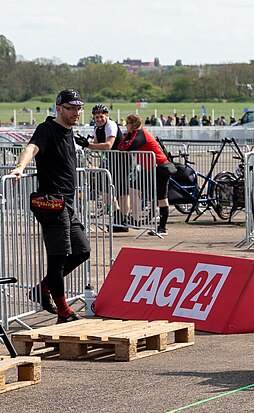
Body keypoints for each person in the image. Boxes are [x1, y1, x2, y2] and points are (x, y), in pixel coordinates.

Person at [9, 89, 91, 323]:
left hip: (68, 202)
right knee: (58, 257)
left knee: (82, 250)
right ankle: (64, 312)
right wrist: (20, 167)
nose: (76, 113)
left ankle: (42, 289)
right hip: (52, 203)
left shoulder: (69, 131)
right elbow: (32, 148)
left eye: (78, 108)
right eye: (71, 108)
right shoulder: (47, 129)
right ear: (58, 109)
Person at [117, 114, 176, 236]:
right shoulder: (132, 134)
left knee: (161, 197)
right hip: (148, 168)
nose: (125, 126)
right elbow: (121, 146)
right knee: (133, 189)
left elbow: (128, 147)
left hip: (160, 167)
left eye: (127, 123)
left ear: (132, 124)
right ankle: (136, 219)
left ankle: (162, 227)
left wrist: (127, 138)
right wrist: (127, 136)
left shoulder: (140, 134)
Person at [78, 104, 129, 232]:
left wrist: (88, 145)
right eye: (96, 117)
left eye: (101, 116)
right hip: (109, 160)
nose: (99, 119)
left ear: (106, 115)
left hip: (121, 160)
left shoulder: (110, 125)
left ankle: (123, 221)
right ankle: (118, 215)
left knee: (122, 191)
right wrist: (84, 143)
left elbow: (108, 145)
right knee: (102, 187)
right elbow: (95, 143)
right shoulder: (97, 128)